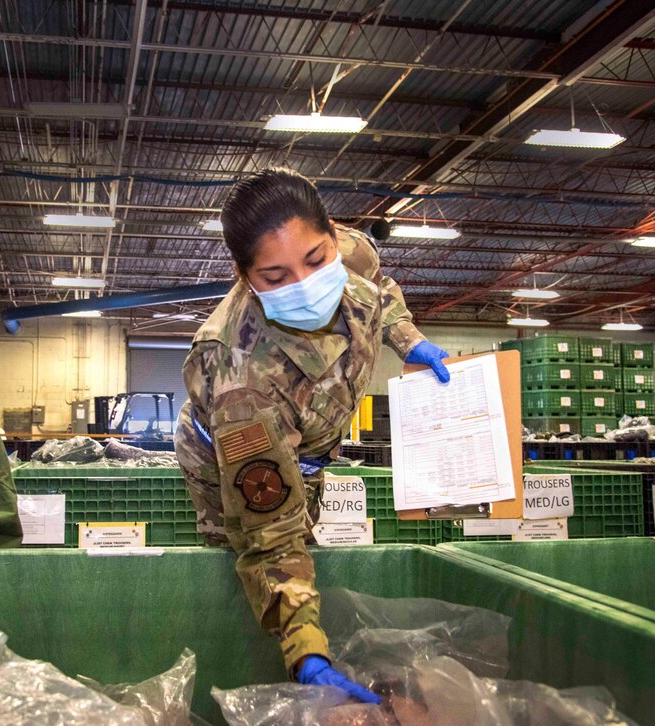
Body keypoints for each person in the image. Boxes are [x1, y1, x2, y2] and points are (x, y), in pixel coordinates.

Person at [174, 168, 450, 702]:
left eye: (317, 260)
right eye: (275, 277)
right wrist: (307, 651)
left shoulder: (349, 252)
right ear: (244, 274)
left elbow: (379, 290)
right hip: (230, 462)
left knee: (307, 532)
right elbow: (269, 534)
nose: (304, 285)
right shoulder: (241, 378)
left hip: (310, 443)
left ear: (331, 236)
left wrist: (407, 339)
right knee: (248, 561)